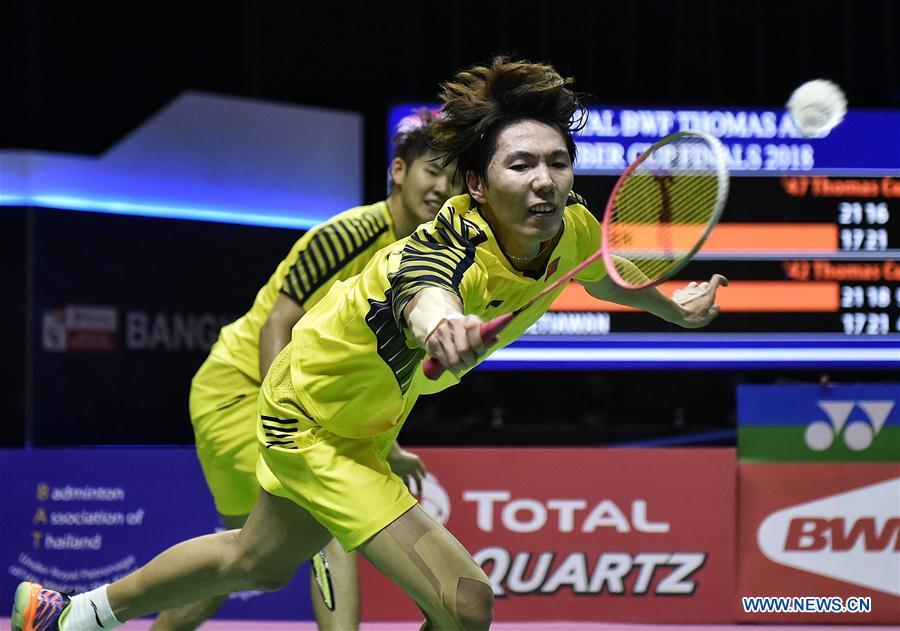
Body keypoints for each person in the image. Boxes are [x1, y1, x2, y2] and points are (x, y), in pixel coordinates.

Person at [11, 56, 726, 631]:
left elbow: (604, 276)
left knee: (255, 562)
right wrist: (441, 324)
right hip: (310, 416)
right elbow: (425, 289)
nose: (544, 180)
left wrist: (671, 307)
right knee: (466, 603)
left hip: (366, 416)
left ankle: (69, 613)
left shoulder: (568, 225)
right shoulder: (446, 245)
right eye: (520, 165)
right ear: (476, 185)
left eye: (558, 162)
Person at [147, 109, 458, 631]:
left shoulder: (419, 257)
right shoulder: (352, 234)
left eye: (451, 178)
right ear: (399, 171)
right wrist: (285, 417)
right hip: (240, 390)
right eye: (432, 171)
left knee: (246, 560)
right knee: (326, 519)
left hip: (282, 401)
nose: (442, 188)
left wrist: (391, 449)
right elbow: (278, 324)